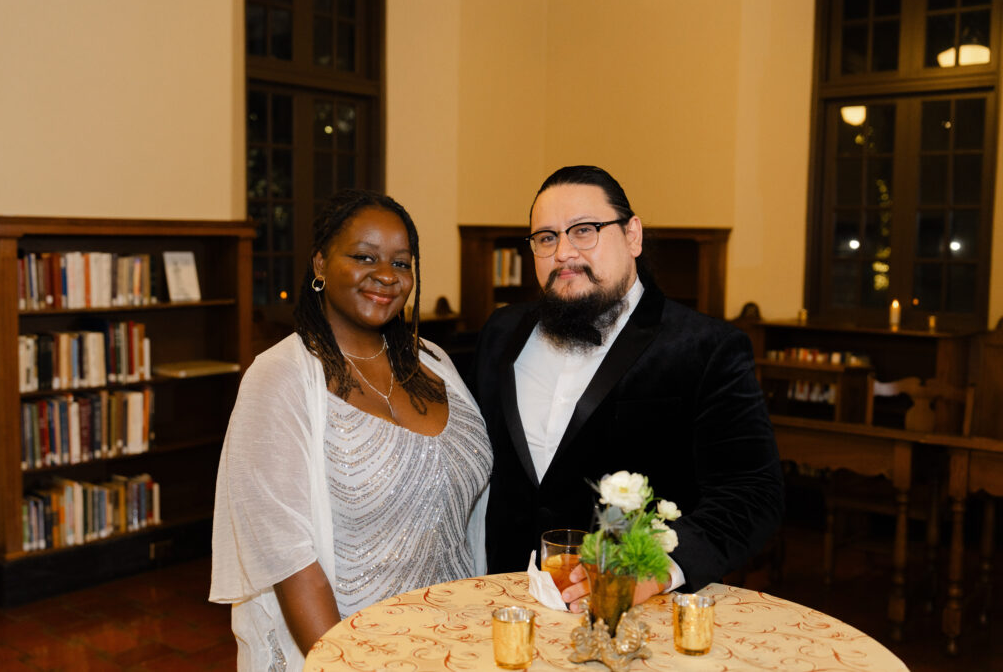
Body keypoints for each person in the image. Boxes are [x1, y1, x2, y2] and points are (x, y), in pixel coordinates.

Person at [469, 165, 783, 607]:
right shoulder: (501, 333)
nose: (563, 253)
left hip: (639, 618)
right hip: (505, 605)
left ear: (632, 235)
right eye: (546, 237)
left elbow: (752, 493)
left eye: (584, 230)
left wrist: (649, 571)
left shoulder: (708, 348)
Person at [210, 189, 492, 670]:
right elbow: (289, 560)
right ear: (320, 264)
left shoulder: (436, 363)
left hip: (460, 644)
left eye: (401, 263)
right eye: (364, 257)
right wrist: (346, 663)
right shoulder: (280, 378)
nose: (386, 276)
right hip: (352, 650)